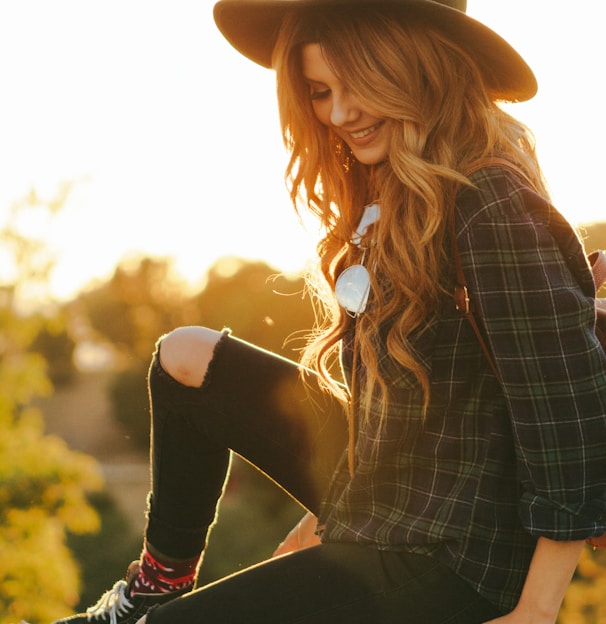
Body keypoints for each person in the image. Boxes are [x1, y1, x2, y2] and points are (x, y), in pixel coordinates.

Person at [52, 1, 606, 623]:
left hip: (455, 548)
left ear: (421, 67)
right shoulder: (395, 190)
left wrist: (536, 609)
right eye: (319, 91)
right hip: (399, 490)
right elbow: (395, 399)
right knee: (185, 356)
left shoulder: (489, 200)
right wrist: (327, 510)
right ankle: (157, 584)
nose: (340, 114)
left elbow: (570, 416)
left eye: (362, 85)